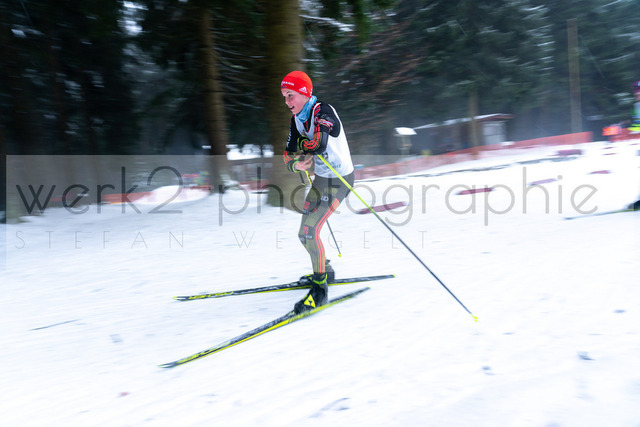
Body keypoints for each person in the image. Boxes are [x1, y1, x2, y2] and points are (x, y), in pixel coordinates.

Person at [280, 70, 355, 314]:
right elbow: (287, 155)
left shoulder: (323, 111)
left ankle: (320, 291)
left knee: (310, 231)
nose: (287, 101)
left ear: (304, 93)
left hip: (340, 180)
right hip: (321, 180)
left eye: (290, 95)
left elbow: (318, 144)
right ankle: (325, 270)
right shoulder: (296, 119)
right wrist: (296, 164)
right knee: (304, 234)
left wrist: (303, 151)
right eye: (284, 96)